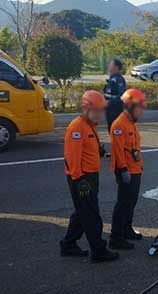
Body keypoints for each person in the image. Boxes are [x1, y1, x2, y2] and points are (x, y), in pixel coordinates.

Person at [61, 91, 119, 263]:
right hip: (82, 178)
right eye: (98, 111)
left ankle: (68, 244)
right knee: (91, 215)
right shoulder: (76, 127)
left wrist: (101, 151)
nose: (101, 114)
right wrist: (80, 181)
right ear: (87, 109)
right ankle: (98, 250)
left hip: (89, 176)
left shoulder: (89, 126)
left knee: (82, 212)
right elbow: (72, 158)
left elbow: (89, 146)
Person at [109, 89, 146, 250]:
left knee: (131, 202)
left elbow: (134, 148)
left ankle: (127, 229)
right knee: (123, 203)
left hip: (135, 168)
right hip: (126, 170)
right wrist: (123, 170)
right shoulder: (119, 125)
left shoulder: (131, 123)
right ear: (130, 106)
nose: (141, 111)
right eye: (139, 107)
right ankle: (116, 237)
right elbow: (118, 151)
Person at [103, 59, 127, 132]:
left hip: (115, 110)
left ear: (116, 67)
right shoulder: (111, 78)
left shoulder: (118, 80)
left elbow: (121, 96)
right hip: (109, 109)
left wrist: (109, 102)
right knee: (111, 129)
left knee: (116, 131)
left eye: (111, 64)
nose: (109, 66)